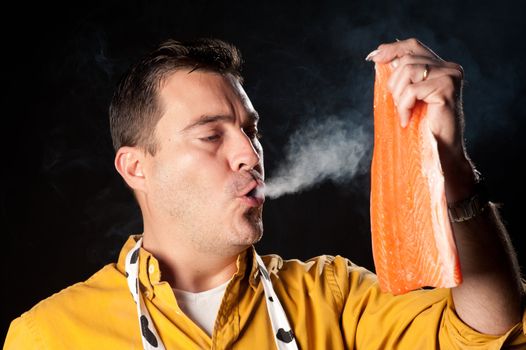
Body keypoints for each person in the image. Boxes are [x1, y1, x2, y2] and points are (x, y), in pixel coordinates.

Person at [4, 37, 525, 349]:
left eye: (250, 131)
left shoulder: (333, 296)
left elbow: (487, 332)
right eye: (212, 135)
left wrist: (451, 168)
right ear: (136, 167)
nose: (250, 155)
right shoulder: (47, 336)